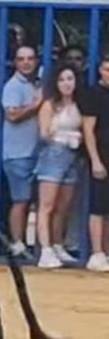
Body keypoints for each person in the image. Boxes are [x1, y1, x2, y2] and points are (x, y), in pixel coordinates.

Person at [36, 63, 85, 269]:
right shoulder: (49, 105)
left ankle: (57, 245)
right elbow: (44, 134)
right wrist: (67, 135)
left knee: (63, 207)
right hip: (54, 153)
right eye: (62, 79)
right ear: (56, 83)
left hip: (73, 156)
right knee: (46, 205)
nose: (67, 84)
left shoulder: (78, 104)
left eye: (70, 79)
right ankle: (45, 250)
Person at [1, 45, 44, 254]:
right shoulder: (13, 86)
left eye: (30, 58)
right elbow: (12, 115)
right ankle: (17, 244)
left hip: (35, 152)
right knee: (21, 200)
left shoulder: (34, 84)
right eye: (21, 59)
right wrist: (35, 106)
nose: (26, 62)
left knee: (33, 201)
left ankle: (29, 244)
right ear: (15, 62)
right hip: (18, 153)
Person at [80, 55, 109, 271]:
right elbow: (88, 130)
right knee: (98, 206)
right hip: (101, 156)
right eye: (107, 69)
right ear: (100, 70)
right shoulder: (93, 94)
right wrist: (95, 160)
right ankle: (97, 252)